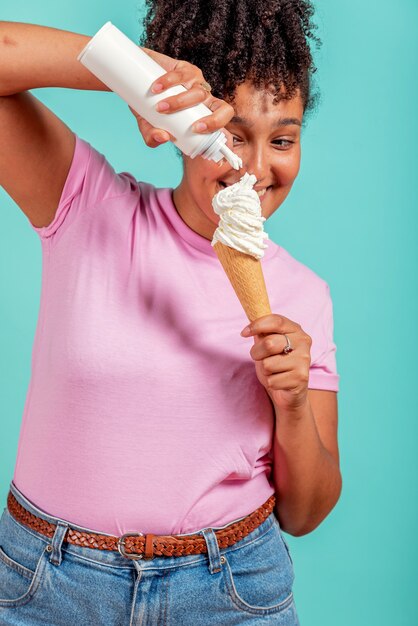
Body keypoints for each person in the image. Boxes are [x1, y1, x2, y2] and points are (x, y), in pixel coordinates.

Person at [0, 1, 342, 623]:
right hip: (48, 585)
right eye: (233, 135)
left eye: (283, 139)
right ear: (186, 128)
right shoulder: (87, 206)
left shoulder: (304, 295)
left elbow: (306, 512)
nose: (257, 168)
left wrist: (291, 404)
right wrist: (135, 75)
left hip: (228, 589)